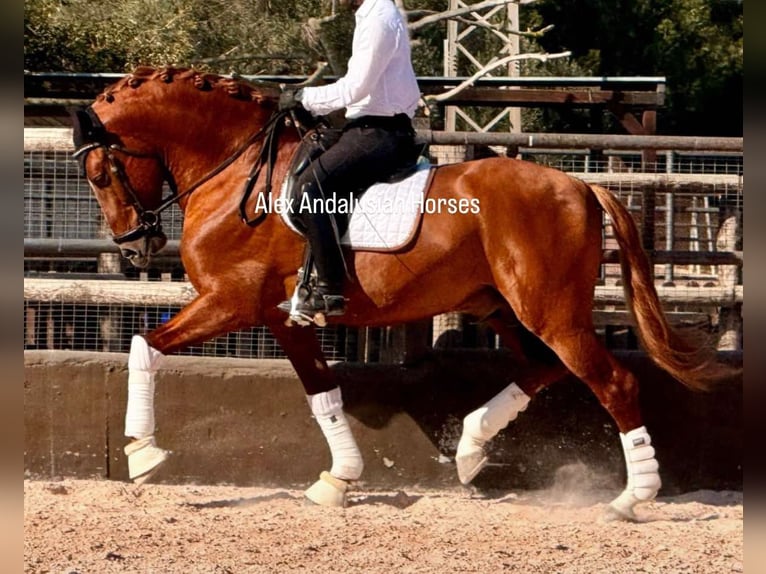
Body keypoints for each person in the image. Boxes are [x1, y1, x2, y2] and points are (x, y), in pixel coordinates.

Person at [278, 0, 421, 319]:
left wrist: (305, 97)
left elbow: (356, 88)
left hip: (379, 133)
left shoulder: (378, 18)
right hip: (368, 127)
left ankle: (329, 289)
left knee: (309, 191)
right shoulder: (375, 13)